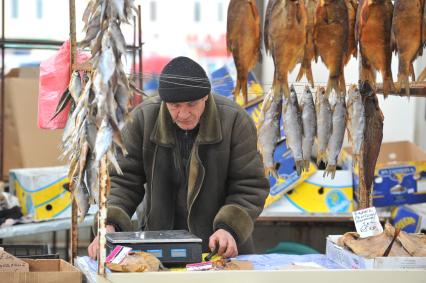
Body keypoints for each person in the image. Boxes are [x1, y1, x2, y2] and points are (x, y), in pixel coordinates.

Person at [88, 56, 269, 259]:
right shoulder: (143, 119)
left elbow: (249, 185)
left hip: (220, 248)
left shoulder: (235, 121)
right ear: (164, 101)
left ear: (206, 97)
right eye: (174, 105)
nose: (183, 114)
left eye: (192, 104)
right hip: (158, 244)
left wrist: (229, 227)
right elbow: (123, 180)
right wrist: (109, 222)